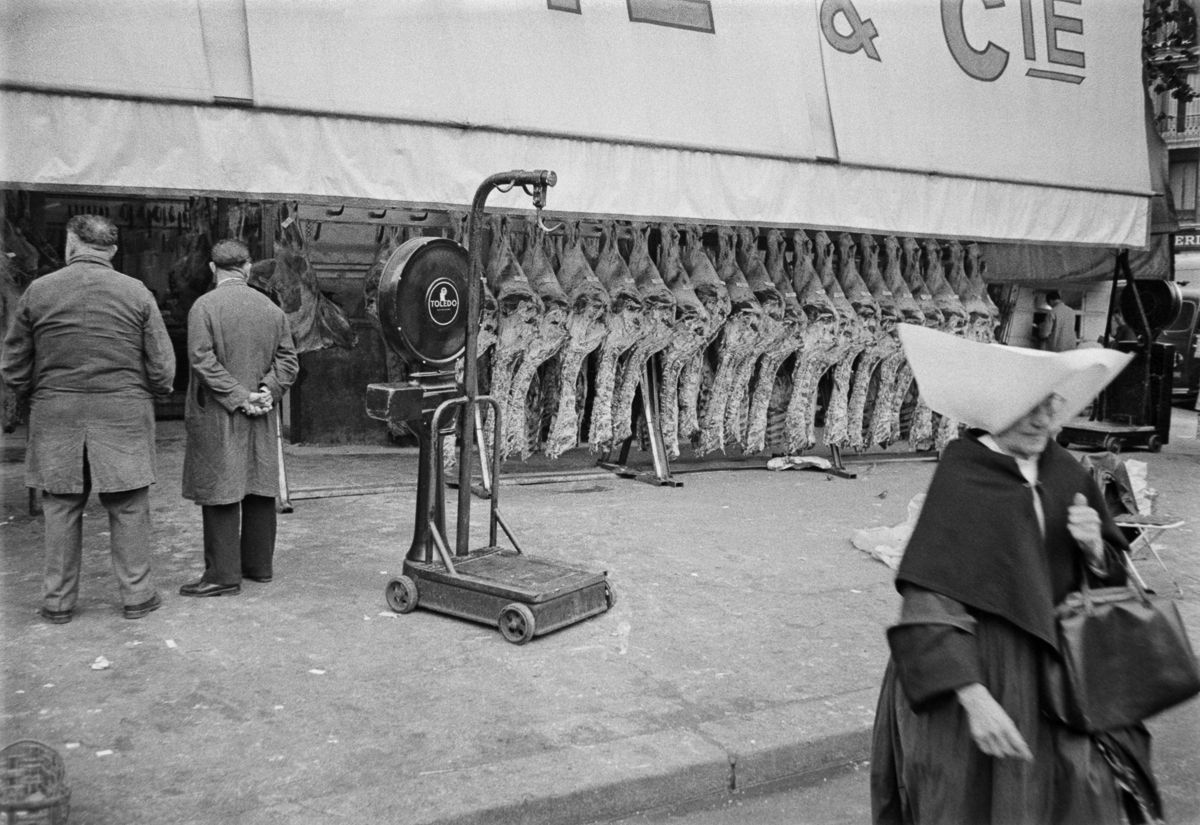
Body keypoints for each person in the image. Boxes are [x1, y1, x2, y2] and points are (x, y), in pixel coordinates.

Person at [871, 324, 1162, 825]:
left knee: (1079, 797)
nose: (1045, 418)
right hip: (977, 671)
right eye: (1030, 405)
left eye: (1052, 404)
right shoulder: (962, 474)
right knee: (969, 801)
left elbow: (1111, 582)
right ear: (995, 406)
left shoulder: (1068, 471)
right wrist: (973, 698)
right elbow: (928, 600)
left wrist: (1095, 548)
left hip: (1061, 670)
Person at [0, 214, 175, 623]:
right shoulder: (137, 293)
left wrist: (33, 390)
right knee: (128, 505)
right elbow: (163, 369)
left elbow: (12, 365)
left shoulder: (38, 291)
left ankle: (58, 603)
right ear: (112, 251)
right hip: (123, 412)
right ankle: (137, 596)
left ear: (71, 244)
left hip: (56, 411)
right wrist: (149, 392)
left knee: (60, 507)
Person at [180, 239, 298, 597]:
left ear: (213, 270)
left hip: (219, 412)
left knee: (221, 488)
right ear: (247, 269)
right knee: (260, 483)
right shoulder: (271, 309)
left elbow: (202, 361)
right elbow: (288, 362)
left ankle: (222, 576)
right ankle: (259, 566)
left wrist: (237, 396)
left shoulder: (204, 307)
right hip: (262, 410)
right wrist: (267, 391)